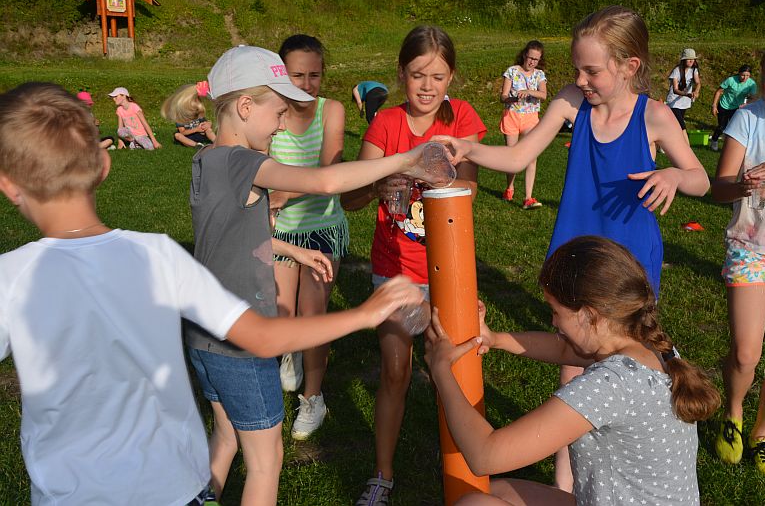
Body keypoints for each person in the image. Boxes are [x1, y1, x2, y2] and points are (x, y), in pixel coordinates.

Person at [0, 82, 424, 505]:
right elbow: (261, 337)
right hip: (170, 490)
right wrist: (365, 314)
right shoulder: (160, 256)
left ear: (8, 185)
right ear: (104, 165)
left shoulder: (11, 277)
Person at [435, 6, 710, 492]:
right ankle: (569, 489)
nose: (580, 79)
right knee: (573, 370)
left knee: (623, 358)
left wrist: (673, 175)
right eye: (576, 69)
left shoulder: (655, 115)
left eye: (592, 70)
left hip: (626, 267)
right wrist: (470, 149)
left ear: (629, 65)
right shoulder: (569, 102)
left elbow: (701, 179)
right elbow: (519, 155)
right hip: (575, 257)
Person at [186, 45, 457, 505]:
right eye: (278, 110)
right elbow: (327, 183)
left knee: (228, 436)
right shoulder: (244, 163)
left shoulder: (206, 161)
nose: (281, 122)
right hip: (242, 341)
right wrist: (406, 160)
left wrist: (292, 249)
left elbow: (224, 238)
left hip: (203, 338)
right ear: (246, 108)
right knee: (267, 460)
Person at [425, 235, 720, 506]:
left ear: (590, 315)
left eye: (556, 312)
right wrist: (497, 339)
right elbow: (568, 349)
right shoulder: (651, 348)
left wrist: (441, 370)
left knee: (474, 505)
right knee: (493, 493)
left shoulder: (610, 385)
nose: (554, 323)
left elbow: (484, 455)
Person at [341, 25, 486, 505]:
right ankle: (382, 474)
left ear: (452, 78)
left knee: (457, 370)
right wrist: (380, 181)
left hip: (451, 270)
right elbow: (352, 199)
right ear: (401, 73)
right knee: (396, 372)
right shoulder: (385, 125)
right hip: (397, 269)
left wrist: (421, 170)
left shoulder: (462, 117)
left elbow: (468, 189)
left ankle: (468, 472)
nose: (427, 86)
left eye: (438, 76)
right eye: (418, 74)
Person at [711, 29, 765, 483]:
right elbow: (719, 182)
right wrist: (739, 185)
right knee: (746, 354)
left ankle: (764, 434)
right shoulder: (747, 117)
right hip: (750, 245)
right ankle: (734, 413)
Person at [266, 34, 350, 440]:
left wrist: (283, 193)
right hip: (280, 232)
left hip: (321, 229)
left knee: (312, 317)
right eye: (296, 75)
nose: (305, 84)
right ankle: (289, 350)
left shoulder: (331, 110)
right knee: (283, 314)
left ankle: (313, 399)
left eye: (314, 75)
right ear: (281, 73)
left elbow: (329, 176)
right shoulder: (271, 111)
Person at [499, 40, 547, 209]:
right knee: (512, 156)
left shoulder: (539, 75)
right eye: (530, 57)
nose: (532, 61)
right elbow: (503, 96)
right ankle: (510, 187)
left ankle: (528, 197)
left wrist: (528, 92)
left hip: (530, 117)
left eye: (536, 59)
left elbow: (543, 95)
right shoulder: (512, 71)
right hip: (512, 115)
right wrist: (512, 98)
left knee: (531, 156)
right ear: (525, 54)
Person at [709, 65, 757, 151]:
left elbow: (754, 97)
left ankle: (729, 147)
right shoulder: (731, 80)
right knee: (722, 127)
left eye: (747, 75)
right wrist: (714, 105)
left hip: (737, 108)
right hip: (724, 105)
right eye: (743, 75)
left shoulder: (751, 83)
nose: (745, 77)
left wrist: (746, 104)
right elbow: (718, 91)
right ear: (739, 73)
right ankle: (714, 140)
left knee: (734, 128)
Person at [161, 82, 217, 149]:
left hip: (200, 135)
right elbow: (183, 132)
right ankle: (196, 145)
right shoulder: (180, 118)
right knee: (177, 135)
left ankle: (217, 141)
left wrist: (208, 124)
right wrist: (196, 129)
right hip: (188, 137)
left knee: (209, 130)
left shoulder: (197, 114)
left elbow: (206, 121)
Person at [665, 48, 701, 143]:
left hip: (684, 102)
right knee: (682, 126)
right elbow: (675, 90)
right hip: (673, 102)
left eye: (693, 59)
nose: (691, 61)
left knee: (674, 125)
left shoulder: (694, 70)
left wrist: (696, 92)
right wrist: (687, 94)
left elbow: (698, 83)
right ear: (683, 60)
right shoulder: (677, 70)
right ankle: (687, 146)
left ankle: (662, 144)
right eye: (689, 59)